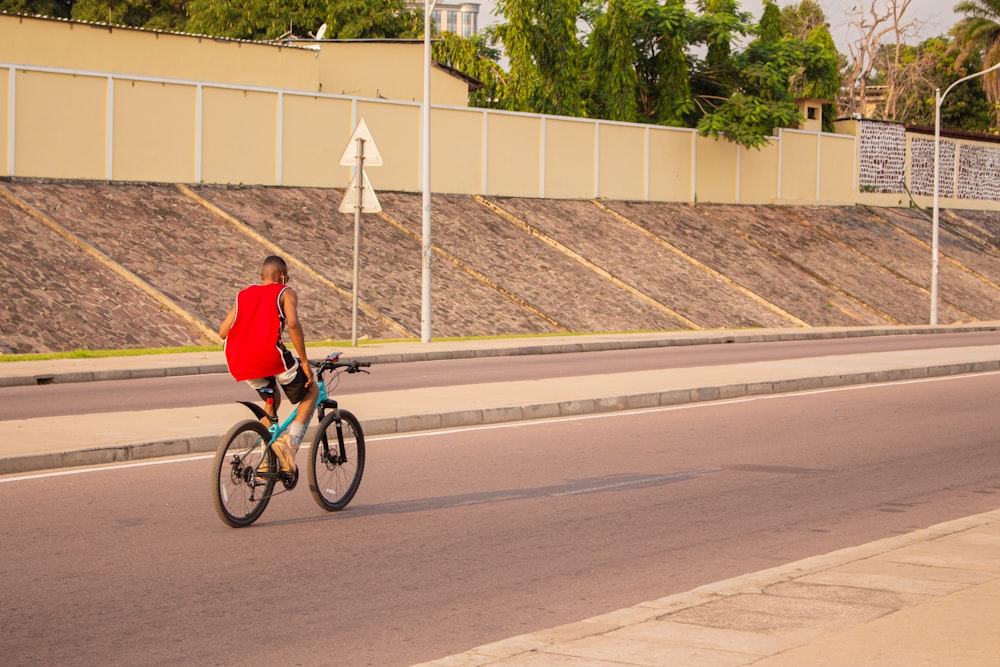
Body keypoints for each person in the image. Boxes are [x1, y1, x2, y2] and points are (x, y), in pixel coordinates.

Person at [219, 255, 317, 474]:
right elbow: (292, 323)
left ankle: (267, 458)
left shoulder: (243, 295)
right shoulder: (286, 292)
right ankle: (288, 446)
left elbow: (222, 331)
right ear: (283, 276)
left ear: (261, 276)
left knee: (273, 399)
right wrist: (304, 362)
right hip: (269, 356)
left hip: (239, 361)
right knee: (311, 389)